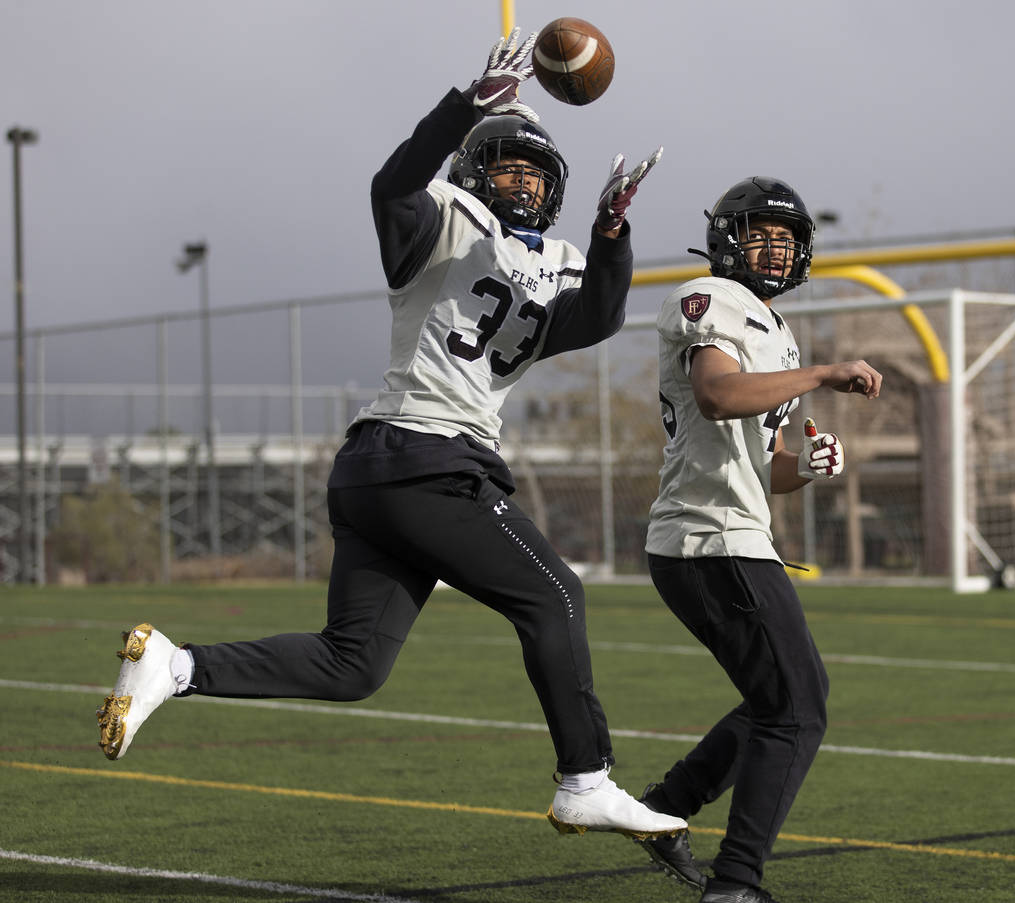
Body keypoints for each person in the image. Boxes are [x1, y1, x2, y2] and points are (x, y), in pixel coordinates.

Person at [96, 28, 684, 841]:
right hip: (426, 457)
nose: (519, 181)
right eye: (506, 165)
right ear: (476, 171)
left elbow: (597, 319)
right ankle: (585, 778)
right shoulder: (445, 217)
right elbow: (392, 183)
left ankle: (178, 664)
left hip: (382, 474)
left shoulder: (559, 257)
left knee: (353, 664)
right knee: (556, 596)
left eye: (533, 171)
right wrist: (458, 109)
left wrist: (614, 239)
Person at [632, 177, 883, 902]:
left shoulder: (773, 327)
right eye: (759, 235)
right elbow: (716, 395)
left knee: (787, 696)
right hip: (710, 540)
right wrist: (827, 372)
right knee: (795, 706)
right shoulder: (709, 298)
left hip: (728, 535)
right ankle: (735, 882)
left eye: (786, 239)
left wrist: (801, 466)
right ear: (726, 239)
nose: (773, 249)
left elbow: (762, 465)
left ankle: (665, 810)